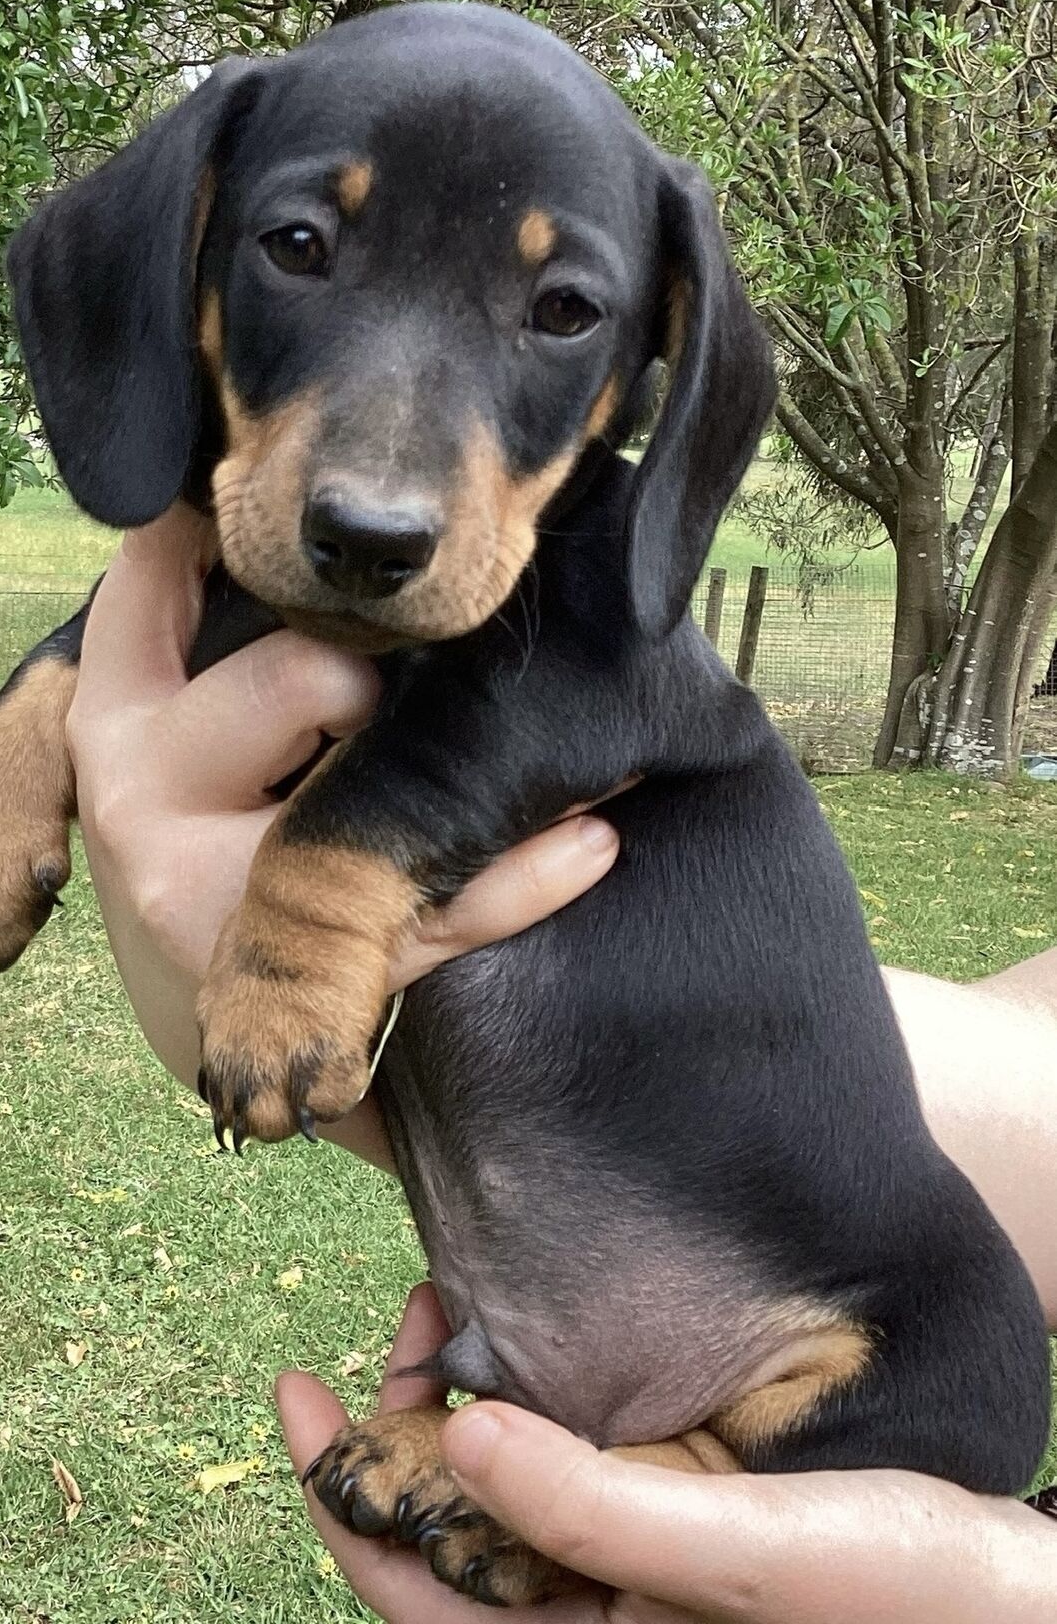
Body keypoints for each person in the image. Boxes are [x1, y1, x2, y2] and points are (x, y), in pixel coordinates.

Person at [68, 508, 1057, 1624]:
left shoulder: (594, 614)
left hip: (853, 1355)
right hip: (760, 1236)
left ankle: (660, 1469)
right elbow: (1006, 1083)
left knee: (958, 1343)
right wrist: (243, 942)